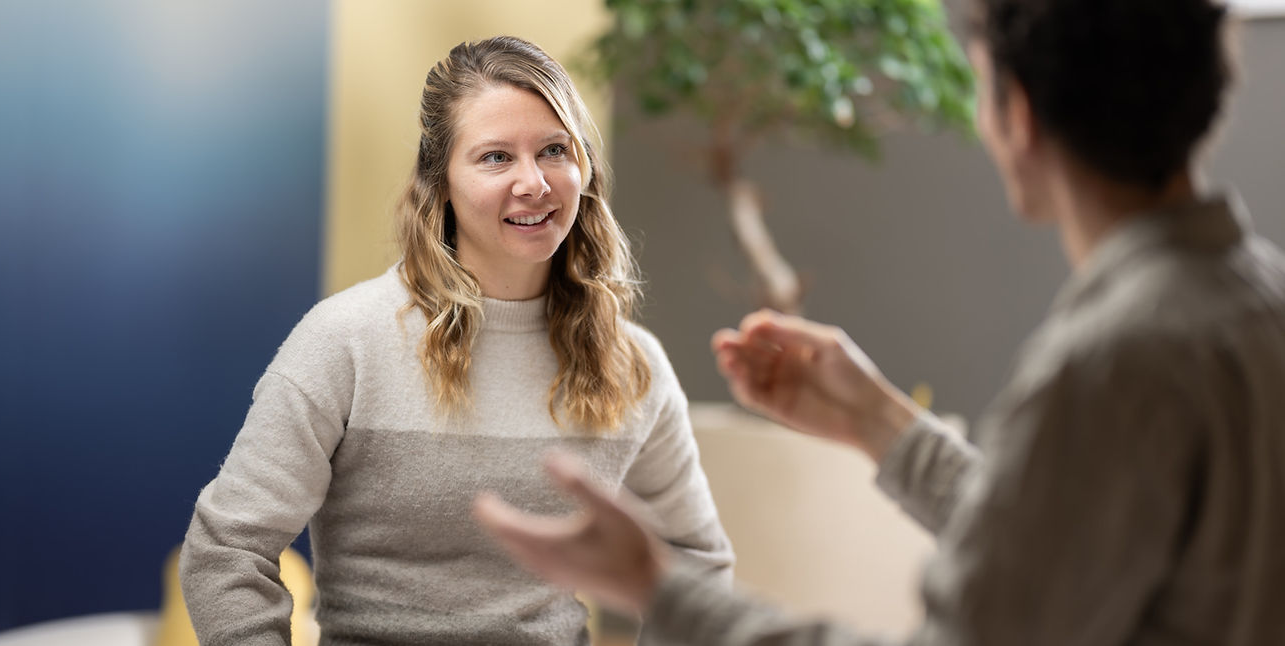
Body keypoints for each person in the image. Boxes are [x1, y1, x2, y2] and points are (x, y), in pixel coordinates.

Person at [475, 1, 1285, 644]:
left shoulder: (1114, 360)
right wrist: (878, 419)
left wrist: (658, 590)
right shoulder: (1257, 300)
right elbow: (1055, 543)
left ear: (1020, 114)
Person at [179, 35, 733, 646]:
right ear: (439, 182)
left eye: (554, 150)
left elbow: (695, 559)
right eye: (496, 157)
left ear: (585, 169)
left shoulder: (634, 366)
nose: (533, 183)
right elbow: (227, 547)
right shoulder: (345, 342)